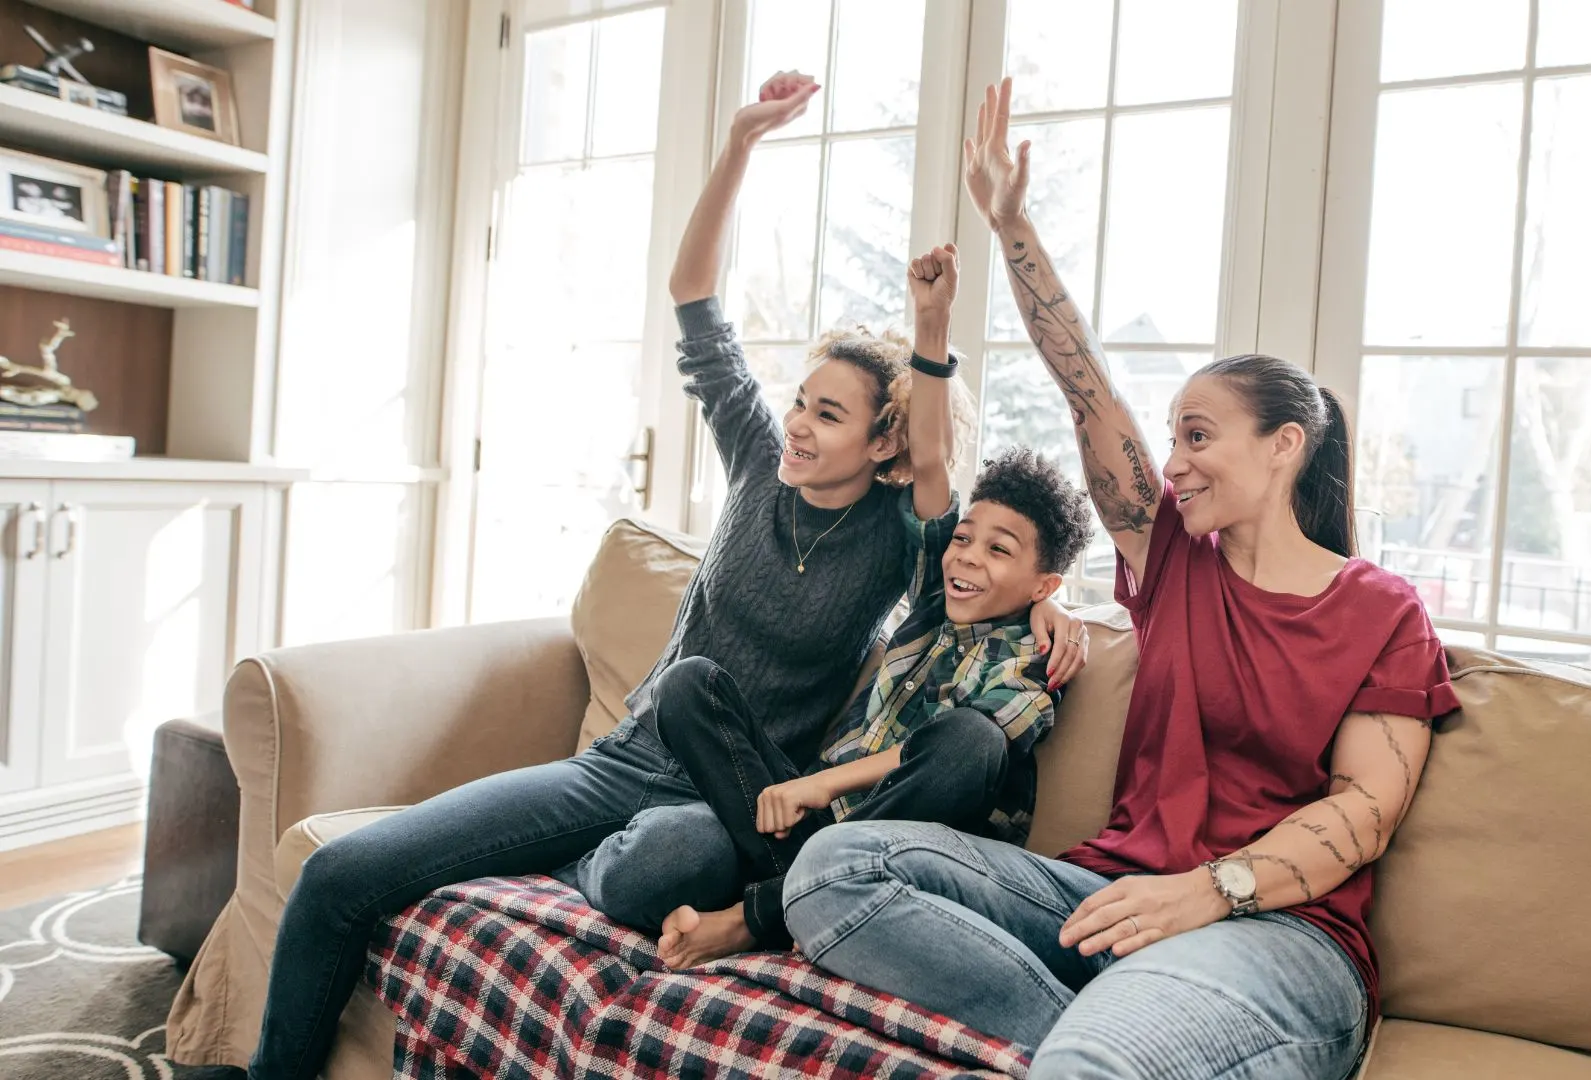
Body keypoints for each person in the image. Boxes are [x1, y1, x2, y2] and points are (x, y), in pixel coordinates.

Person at [236, 71, 1087, 1080]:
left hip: (742, 802)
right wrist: (737, 143)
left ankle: (610, 873)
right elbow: (694, 297)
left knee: (672, 860)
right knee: (342, 872)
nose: (797, 425)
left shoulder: (899, 536)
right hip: (626, 758)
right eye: (799, 401)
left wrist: (1050, 588)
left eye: (827, 414)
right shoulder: (753, 462)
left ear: (879, 440)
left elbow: (952, 485)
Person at [782, 77, 1461, 1080]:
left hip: (1279, 934)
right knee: (831, 871)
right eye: (1171, 437)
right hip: (1105, 897)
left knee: (1102, 1058)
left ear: (1282, 449)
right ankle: (1099, 1038)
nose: (1173, 461)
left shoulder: (1381, 613)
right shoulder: (1176, 561)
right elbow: (1084, 386)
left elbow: (1360, 816)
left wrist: (1211, 891)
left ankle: (1111, 1047)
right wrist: (1012, 228)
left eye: (1198, 436)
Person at [656, 419, 1097, 966]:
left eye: (999, 550)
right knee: (688, 683)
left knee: (971, 739)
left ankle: (757, 917)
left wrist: (818, 785)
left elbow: (961, 752)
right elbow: (931, 470)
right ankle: (799, 893)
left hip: (904, 843)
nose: (967, 556)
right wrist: (809, 791)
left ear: (1044, 586)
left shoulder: (1035, 656)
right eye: (964, 538)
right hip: (809, 827)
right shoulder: (935, 603)